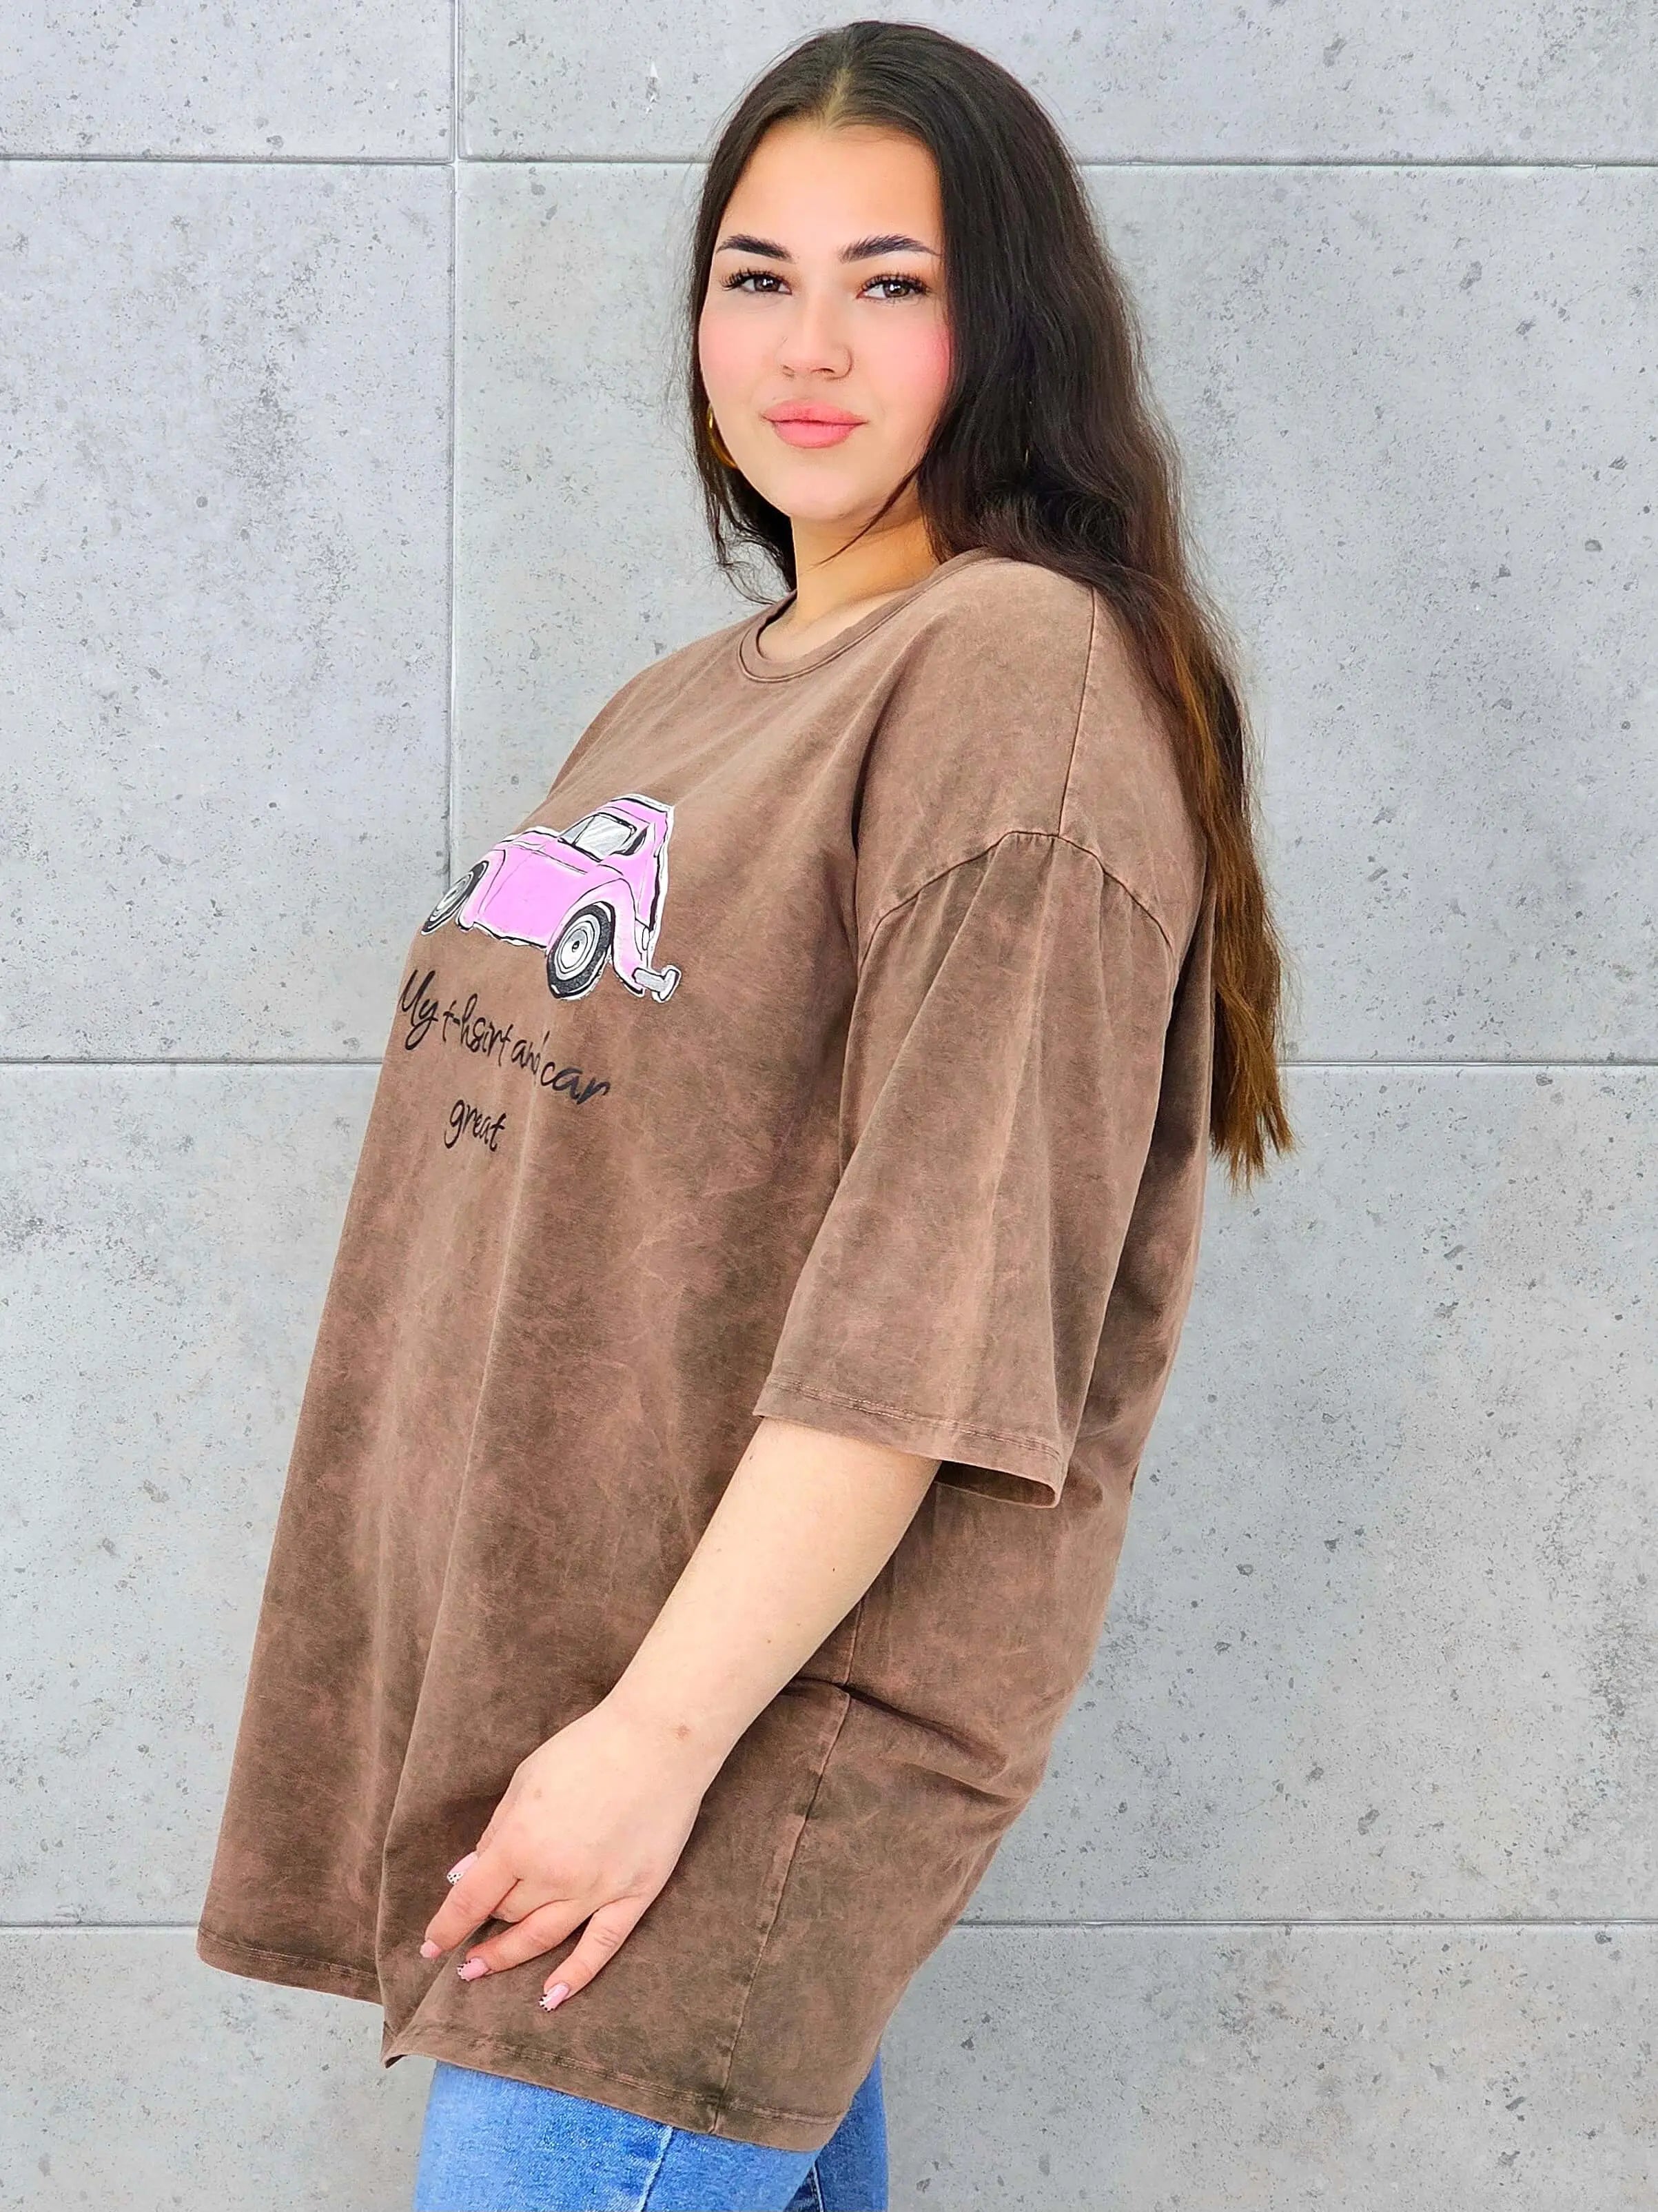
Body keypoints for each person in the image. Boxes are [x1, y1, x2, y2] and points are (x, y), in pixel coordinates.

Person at [194, 20, 1293, 2212]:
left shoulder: (1012, 675)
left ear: (1012, 324)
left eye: (893, 282)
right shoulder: (691, 700)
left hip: (721, 1757)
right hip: (577, 1713)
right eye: (755, 275)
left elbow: (929, 1320)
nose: (807, 346)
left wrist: (652, 1741)